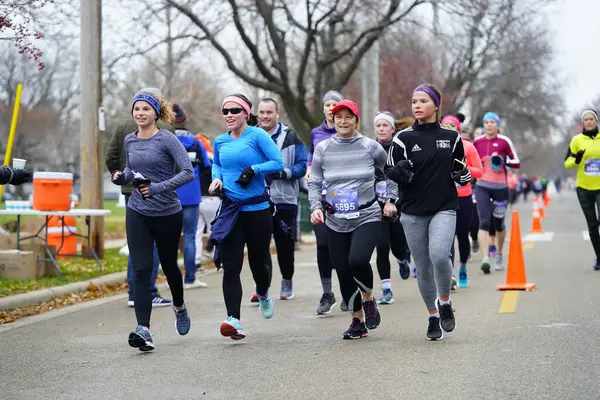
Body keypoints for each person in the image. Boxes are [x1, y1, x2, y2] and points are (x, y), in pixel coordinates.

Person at [386, 84, 471, 341]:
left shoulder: (452, 137)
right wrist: (398, 172)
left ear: (436, 105)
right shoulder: (402, 138)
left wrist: (463, 176)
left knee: (439, 254)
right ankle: (433, 315)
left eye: (423, 101)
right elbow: (389, 172)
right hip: (412, 211)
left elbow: (461, 171)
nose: (417, 105)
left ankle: (445, 302)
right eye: (414, 101)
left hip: (444, 206)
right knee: (422, 267)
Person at [111, 90, 194, 352]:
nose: (140, 113)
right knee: (141, 268)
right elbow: (130, 170)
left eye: (146, 109)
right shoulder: (129, 141)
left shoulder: (167, 139)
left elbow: (187, 173)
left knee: (169, 266)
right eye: (137, 109)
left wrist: (157, 188)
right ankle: (143, 330)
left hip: (168, 213)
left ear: (156, 114)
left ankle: (179, 306)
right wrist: (121, 177)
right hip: (137, 211)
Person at [308, 99, 387, 339]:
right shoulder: (323, 148)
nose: (343, 121)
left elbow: (388, 174)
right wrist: (315, 207)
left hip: (367, 214)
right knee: (342, 270)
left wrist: (389, 200)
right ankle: (357, 321)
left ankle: (368, 299)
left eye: (348, 116)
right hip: (335, 218)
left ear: (356, 120)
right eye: (338, 116)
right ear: (333, 119)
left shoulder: (371, 147)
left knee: (358, 260)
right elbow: (314, 181)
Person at [209, 94, 284, 340]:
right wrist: (216, 178)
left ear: (245, 113)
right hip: (231, 211)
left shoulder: (257, 135)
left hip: (257, 210)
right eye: (225, 111)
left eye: (234, 110)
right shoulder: (220, 141)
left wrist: (254, 169)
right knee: (231, 267)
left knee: (258, 262)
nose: (229, 115)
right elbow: (217, 165)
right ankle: (234, 320)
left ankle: (262, 292)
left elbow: (278, 162)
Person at [105, 87, 172, 308]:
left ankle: (135, 291)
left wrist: (121, 177)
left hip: (129, 191)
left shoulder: (123, 125)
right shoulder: (162, 128)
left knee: (137, 243)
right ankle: (147, 291)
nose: (141, 112)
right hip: (152, 191)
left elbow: (111, 157)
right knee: (150, 244)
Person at [257, 98, 308, 300]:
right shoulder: (251, 136)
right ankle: (263, 286)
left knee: (284, 245)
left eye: (269, 112)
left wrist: (284, 173)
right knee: (259, 246)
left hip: (284, 199)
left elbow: (303, 165)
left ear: (277, 114)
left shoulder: (290, 137)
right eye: (262, 112)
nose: (265, 116)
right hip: (258, 200)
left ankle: (287, 282)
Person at [307, 90, 348, 314]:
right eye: (328, 105)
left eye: (335, 104)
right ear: (323, 109)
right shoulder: (316, 133)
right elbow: (311, 156)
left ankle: (346, 290)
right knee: (323, 244)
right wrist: (308, 169)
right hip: (321, 197)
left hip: (343, 197)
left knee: (342, 245)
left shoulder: (348, 131)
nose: (332, 108)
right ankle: (327, 293)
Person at [472, 112, 520, 273]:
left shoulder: (504, 141)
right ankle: (485, 258)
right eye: (486, 122)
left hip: (500, 187)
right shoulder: (477, 142)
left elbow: (516, 162)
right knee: (484, 222)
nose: (489, 125)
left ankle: (499, 254)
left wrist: (503, 160)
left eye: (492, 122)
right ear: (484, 125)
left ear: (497, 125)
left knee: (499, 224)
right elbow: (470, 161)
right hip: (482, 186)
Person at [441, 114, 482, 289]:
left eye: (452, 125)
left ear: (458, 128)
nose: (448, 127)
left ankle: (463, 267)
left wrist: (463, 169)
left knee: (462, 235)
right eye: (445, 125)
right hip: (443, 197)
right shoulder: (437, 147)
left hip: (463, 196)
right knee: (446, 238)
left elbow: (479, 171)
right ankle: (449, 275)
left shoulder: (468, 147)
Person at [373, 111, 410, 305]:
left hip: (398, 202)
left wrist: (393, 199)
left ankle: (403, 260)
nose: (381, 129)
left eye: (385, 125)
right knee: (381, 246)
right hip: (376, 203)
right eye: (378, 126)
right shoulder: (369, 148)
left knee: (398, 246)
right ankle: (386, 288)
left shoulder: (399, 148)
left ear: (392, 128)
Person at [172, 104, 211, 288]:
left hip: (171, 194)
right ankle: (190, 278)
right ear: (185, 121)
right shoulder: (196, 142)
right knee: (189, 236)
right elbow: (205, 165)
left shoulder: (166, 139)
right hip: (192, 194)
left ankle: (172, 279)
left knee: (169, 239)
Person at [565, 109, 600, 270]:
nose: (589, 121)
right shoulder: (576, 140)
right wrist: (577, 159)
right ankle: (599, 258)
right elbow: (567, 164)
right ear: (583, 123)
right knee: (592, 224)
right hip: (584, 188)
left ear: (596, 120)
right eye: (586, 119)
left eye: (591, 119)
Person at [194, 134, 219, 268]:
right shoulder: (212, 159)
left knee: (197, 233)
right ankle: (218, 257)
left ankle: (196, 262)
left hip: (196, 199)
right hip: (212, 198)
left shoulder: (191, 158)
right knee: (216, 230)